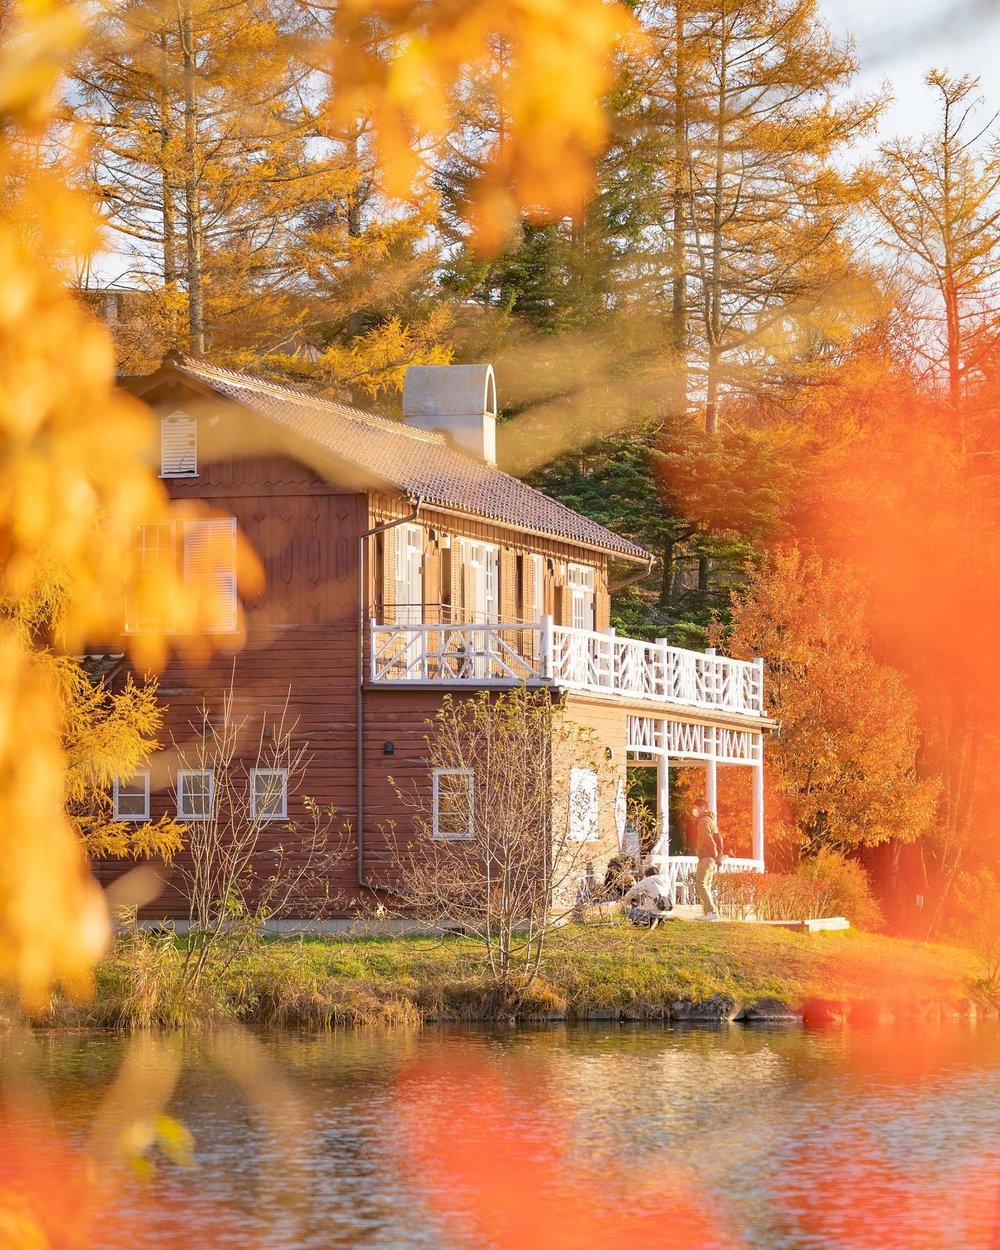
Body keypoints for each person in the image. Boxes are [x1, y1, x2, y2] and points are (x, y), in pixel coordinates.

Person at [691, 796, 724, 920]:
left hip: (707, 857)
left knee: (700, 884)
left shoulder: (704, 821)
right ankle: (709, 913)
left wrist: (714, 855)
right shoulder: (711, 820)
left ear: (702, 808)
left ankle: (711, 911)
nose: (694, 810)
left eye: (695, 807)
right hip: (711, 858)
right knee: (707, 885)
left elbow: (708, 839)